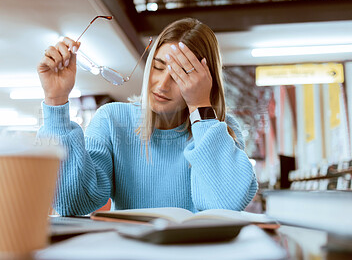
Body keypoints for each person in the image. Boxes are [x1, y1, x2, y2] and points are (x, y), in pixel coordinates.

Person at [37, 18, 258, 216]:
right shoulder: (112, 120)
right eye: (158, 67)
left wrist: (201, 107)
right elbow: (71, 204)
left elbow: (225, 207)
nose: (162, 85)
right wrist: (55, 101)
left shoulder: (220, 129)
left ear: (204, 82)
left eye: (181, 76)